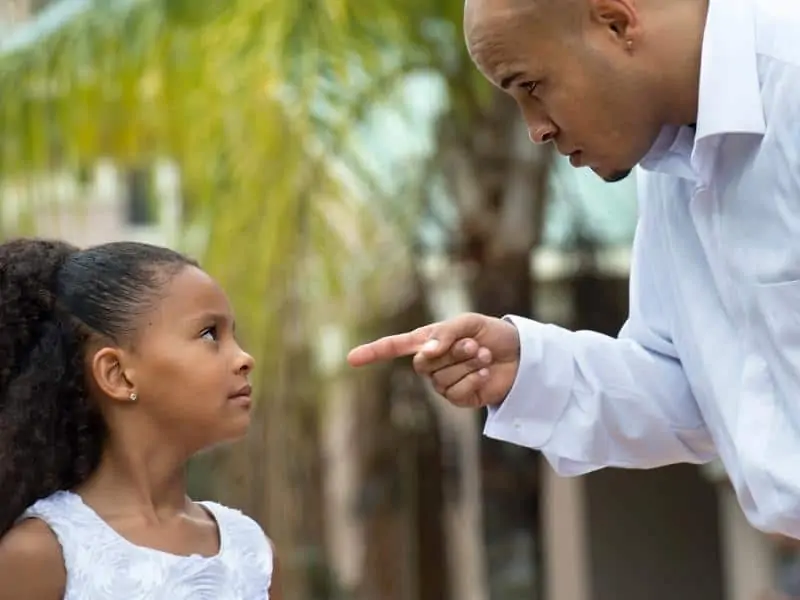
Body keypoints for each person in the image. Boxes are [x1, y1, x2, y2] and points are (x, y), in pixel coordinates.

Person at [348, 0, 800, 539]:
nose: (535, 131)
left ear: (616, 21)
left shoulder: (788, 77)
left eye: (532, 86)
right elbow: (695, 387)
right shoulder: (669, 153)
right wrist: (529, 368)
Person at [0, 238, 281, 599]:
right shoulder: (41, 557)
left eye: (234, 335)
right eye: (209, 333)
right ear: (118, 374)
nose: (244, 358)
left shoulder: (254, 553)